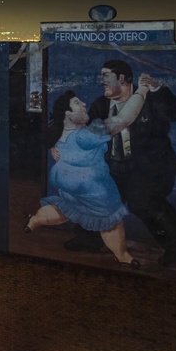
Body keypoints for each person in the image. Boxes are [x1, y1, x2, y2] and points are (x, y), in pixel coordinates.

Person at [65, 60, 176, 267]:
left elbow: (175, 114)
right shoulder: (101, 105)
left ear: (122, 79)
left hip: (149, 167)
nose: (101, 81)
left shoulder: (151, 99)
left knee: (144, 203)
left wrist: (158, 88)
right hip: (115, 165)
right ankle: (88, 239)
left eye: (106, 76)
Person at [26, 78, 153, 268]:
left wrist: (53, 147)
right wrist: (142, 90)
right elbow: (123, 119)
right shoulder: (86, 135)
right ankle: (122, 254)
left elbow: (47, 139)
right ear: (68, 115)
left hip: (65, 184)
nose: (84, 104)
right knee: (109, 220)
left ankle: (35, 220)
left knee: (66, 208)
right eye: (77, 103)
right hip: (93, 188)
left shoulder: (58, 132)